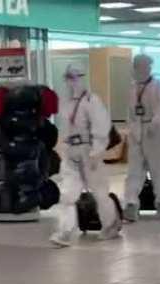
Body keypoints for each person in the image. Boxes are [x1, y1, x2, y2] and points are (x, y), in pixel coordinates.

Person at [49, 63, 121, 247]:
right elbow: (65, 127)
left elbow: (101, 127)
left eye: (75, 77)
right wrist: (63, 146)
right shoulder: (65, 102)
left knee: (99, 193)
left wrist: (97, 152)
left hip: (88, 151)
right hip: (71, 151)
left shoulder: (92, 101)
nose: (71, 82)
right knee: (68, 194)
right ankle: (64, 231)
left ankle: (111, 225)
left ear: (82, 78)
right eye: (68, 78)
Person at [123, 54, 160, 222]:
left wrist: (154, 125)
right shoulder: (132, 88)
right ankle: (130, 204)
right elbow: (130, 112)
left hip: (154, 133)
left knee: (158, 170)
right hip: (137, 131)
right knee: (134, 171)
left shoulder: (158, 87)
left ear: (147, 68)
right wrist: (132, 129)